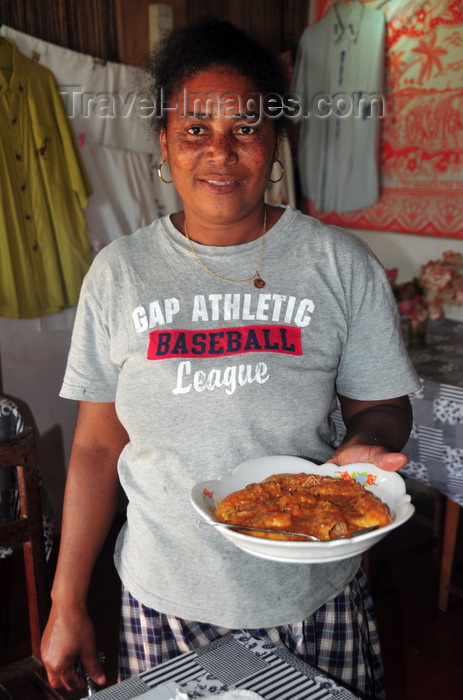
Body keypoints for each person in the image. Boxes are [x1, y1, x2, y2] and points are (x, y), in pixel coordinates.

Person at [40, 17, 421, 700]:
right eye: (194, 130)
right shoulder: (119, 274)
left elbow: (382, 406)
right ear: (163, 144)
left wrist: (366, 442)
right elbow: (97, 447)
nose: (220, 151)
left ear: (274, 143)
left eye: (245, 128)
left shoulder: (337, 264)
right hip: (163, 597)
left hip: (307, 587)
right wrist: (66, 600)